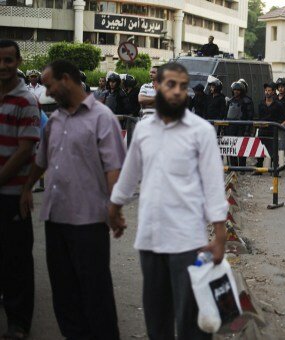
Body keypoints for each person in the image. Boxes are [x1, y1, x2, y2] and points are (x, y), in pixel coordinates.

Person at [108, 62, 228, 340]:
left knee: (191, 323)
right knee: (157, 318)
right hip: (149, 238)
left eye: (182, 87)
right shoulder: (144, 129)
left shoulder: (201, 131)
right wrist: (114, 208)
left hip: (188, 240)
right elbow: (130, 175)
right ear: (157, 86)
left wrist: (220, 234)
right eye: (170, 84)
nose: (177, 92)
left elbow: (213, 187)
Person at [20, 59, 124, 340]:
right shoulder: (55, 120)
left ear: (66, 79)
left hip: (89, 223)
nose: (47, 91)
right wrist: (27, 186)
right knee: (64, 295)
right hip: (55, 220)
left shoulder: (103, 118)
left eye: (49, 84)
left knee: (95, 293)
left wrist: (115, 208)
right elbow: (41, 161)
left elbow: (114, 167)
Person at [0, 39, 39, 340]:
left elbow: (25, 150)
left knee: (16, 263)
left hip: (12, 196)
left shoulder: (26, 100)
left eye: (9, 60)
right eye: (0, 60)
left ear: (18, 61)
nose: (4, 66)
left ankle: (18, 323)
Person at [255, 82, 285, 173]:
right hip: (262, 130)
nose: (267, 92)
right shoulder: (261, 103)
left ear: (273, 92)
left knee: (274, 151)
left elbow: (281, 117)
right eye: (266, 90)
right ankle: (259, 169)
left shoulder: (278, 105)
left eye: (269, 90)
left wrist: (278, 125)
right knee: (260, 150)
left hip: (273, 130)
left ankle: (275, 170)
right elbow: (259, 116)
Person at [225, 81, 250, 167]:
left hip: (242, 127)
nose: (236, 91)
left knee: (242, 147)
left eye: (238, 90)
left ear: (242, 91)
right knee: (231, 147)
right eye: (234, 90)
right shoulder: (230, 101)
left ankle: (242, 167)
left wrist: (247, 130)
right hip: (231, 127)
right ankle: (233, 166)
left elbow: (250, 116)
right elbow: (226, 115)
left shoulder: (247, 101)